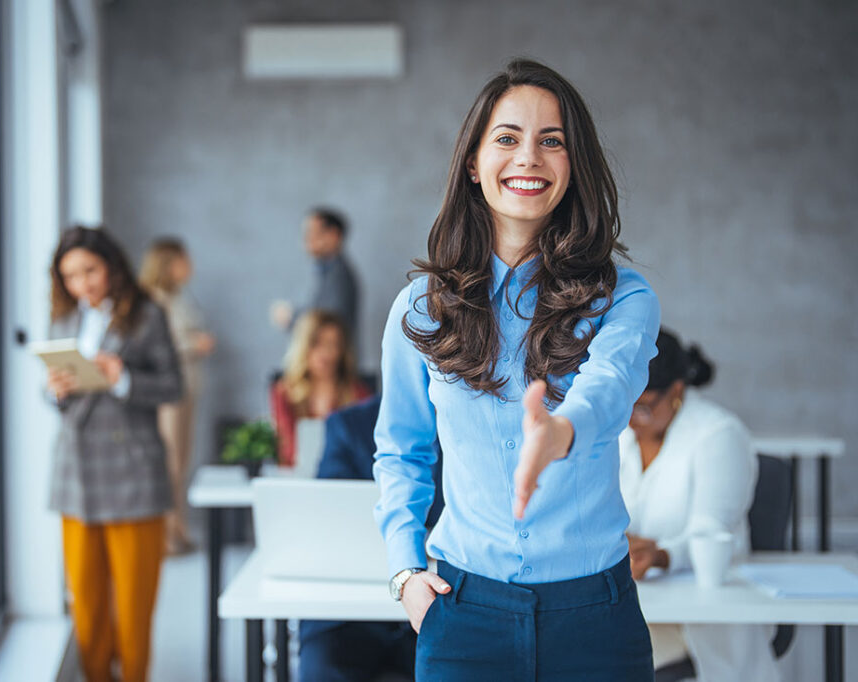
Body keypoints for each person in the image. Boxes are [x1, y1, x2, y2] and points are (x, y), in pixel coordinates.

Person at [373, 58, 661, 680]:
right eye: (507, 138)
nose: (528, 157)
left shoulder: (626, 297)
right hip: (461, 613)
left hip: (595, 619)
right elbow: (401, 451)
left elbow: (609, 388)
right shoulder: (420, 309)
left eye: (551, 141)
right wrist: (404, 574)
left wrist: (562, 430)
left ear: (574, 166)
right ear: (474, 165)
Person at [45, 226, 182, 682]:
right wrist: (56, 390)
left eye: (89, 270)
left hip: (134, 474)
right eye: (69, 276)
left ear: (111, 267)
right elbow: (57, 394)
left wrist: (122, 377)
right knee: (85, 602)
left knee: (134, 605)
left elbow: (173, 386)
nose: (81, 284)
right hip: (76, 471)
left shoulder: (147, 315)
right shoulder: (64, 318)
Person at [619, 328, 781, 682]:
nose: (631, 419)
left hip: (699, 619)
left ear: (676, 392)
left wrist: (660, 555)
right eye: (624, 405)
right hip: (638, 605)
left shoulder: (718, 434)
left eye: (642, 407)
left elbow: (711, 533)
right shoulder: (622, 434)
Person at [299, 395, 444, 682]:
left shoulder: (466, 424)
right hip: (348, 613)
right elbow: (330, 514)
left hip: (438, 605)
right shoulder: (348, 424)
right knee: (322, 666)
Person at [139, 238, 215, 554]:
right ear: (170, 263)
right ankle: (165, 536)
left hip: (186, 388)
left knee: (181, 462)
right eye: (186, 259)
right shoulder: (154, 301)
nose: (191, 266)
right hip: (167, 393)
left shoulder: (179, 297)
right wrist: (193, 345)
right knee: (168, 463)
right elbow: (156, 347)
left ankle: (177, 529)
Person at [270, 310, 371, 467]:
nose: (326, 353)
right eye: (317, 343)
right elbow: (287, 450)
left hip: (344, 482)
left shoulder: (359, 394)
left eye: (333, 345)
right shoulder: (284, 392)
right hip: (297, 481)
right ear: (304, 346)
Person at [270, 207, 359, 341]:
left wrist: (292, 317)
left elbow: (328, 323)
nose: (306, 239)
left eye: (312, 232)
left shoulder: (339, 276)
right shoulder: (327, 271)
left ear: (333, 235)